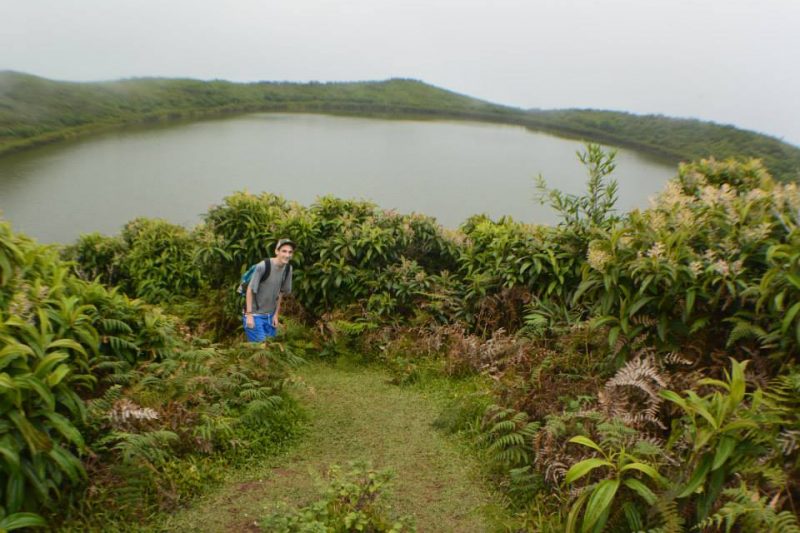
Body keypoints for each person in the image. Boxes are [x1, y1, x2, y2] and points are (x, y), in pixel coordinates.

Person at [243, 238, 295, 342]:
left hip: (270, 316)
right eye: (284, 251)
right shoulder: (263, 266)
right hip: (255, 315)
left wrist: (276, 315)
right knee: (261, 351)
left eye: (290, 252)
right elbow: (250, 290)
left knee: (270, 349)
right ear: (277, 251)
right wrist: (249, 315)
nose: (287, 255)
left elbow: (280, 293)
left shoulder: (288, 269)